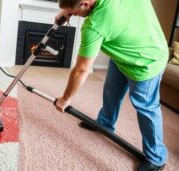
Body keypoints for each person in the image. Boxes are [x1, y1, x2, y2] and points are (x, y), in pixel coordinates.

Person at [54, 0, 168, 170]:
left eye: (74, 12)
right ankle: (105, 123)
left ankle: (157, 157)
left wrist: (65, 98)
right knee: (111, 90)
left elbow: (81, 70)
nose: (74, 15)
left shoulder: (95, 25)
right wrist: (69, 10)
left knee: (146, 107)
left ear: (85, 3)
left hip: (146, 61)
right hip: (125, 49)